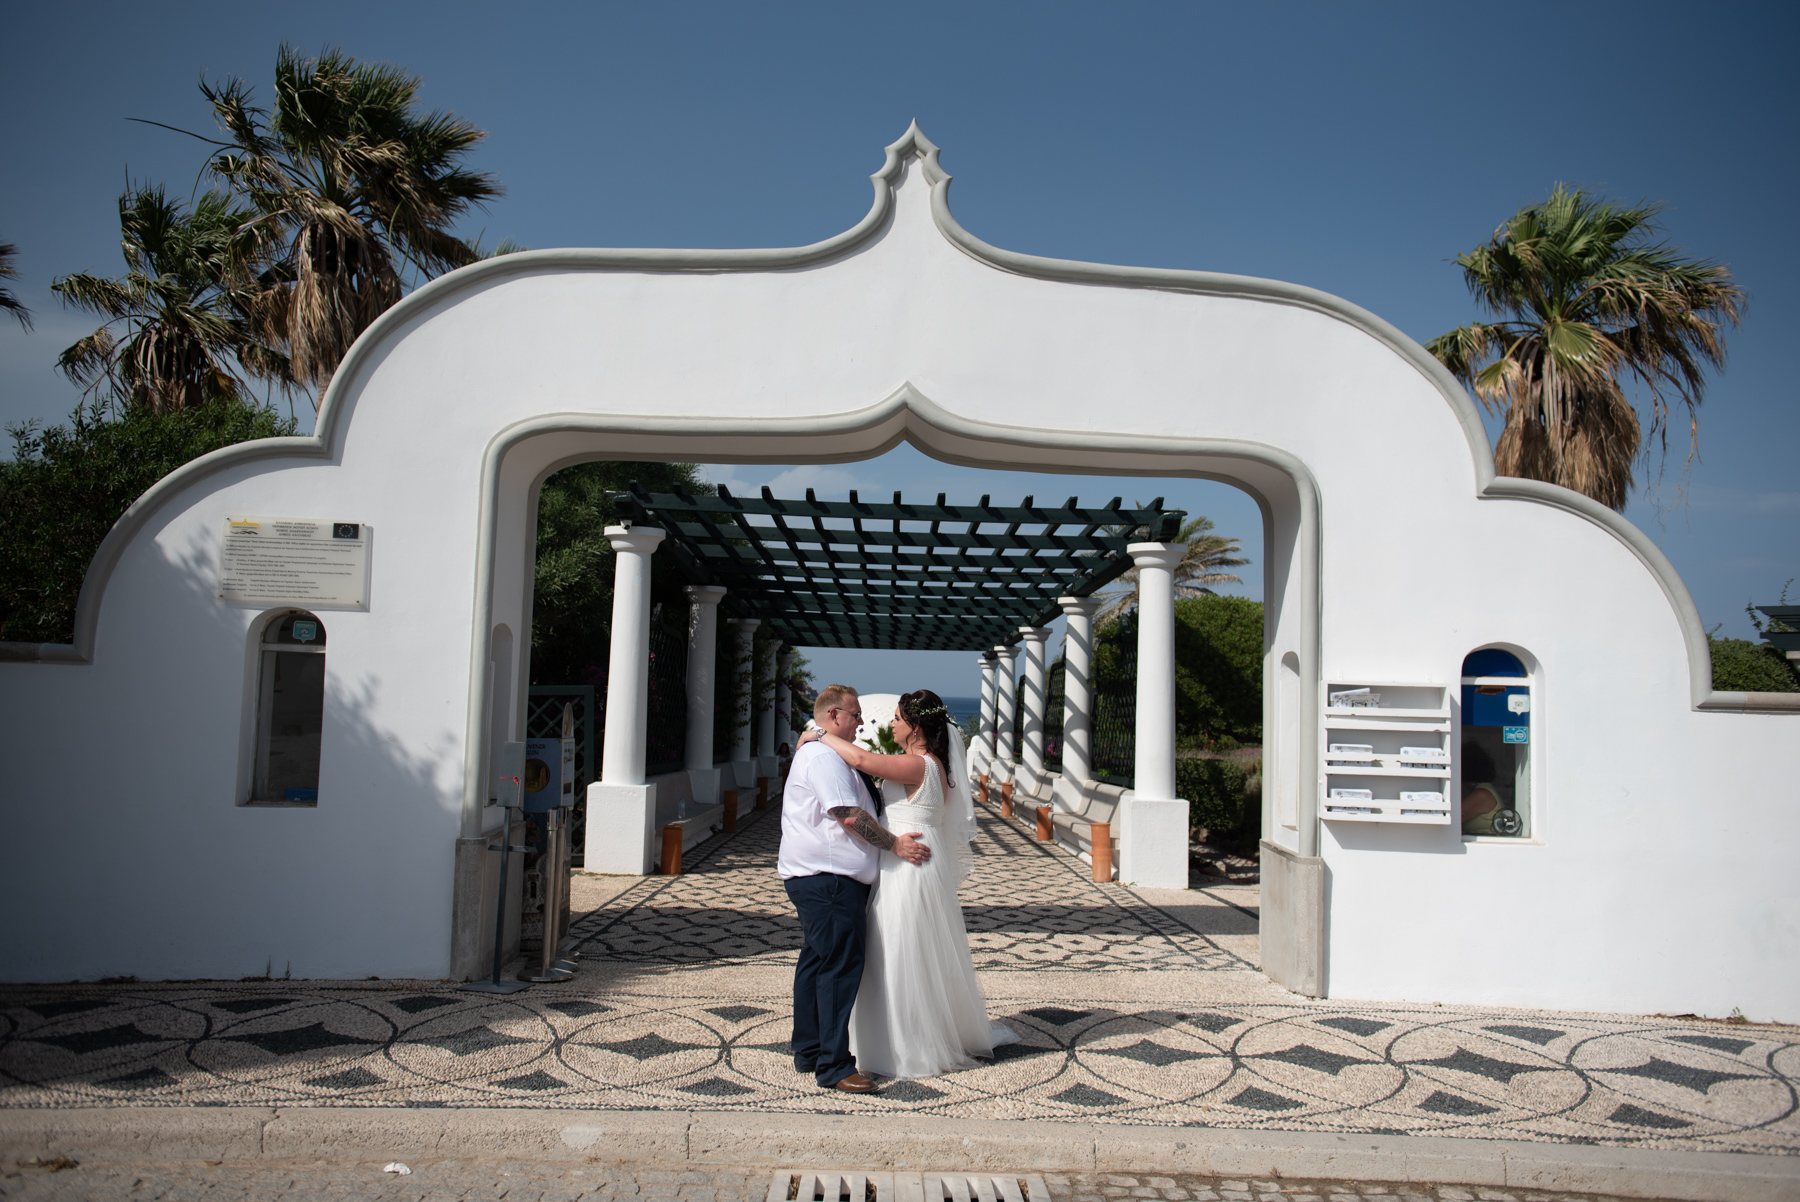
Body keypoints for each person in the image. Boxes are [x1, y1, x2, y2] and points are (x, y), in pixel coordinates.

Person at [798, 688, 1020, 1080]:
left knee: (899, 952)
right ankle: (897, 1037)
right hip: (910, 858)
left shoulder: (919, 764)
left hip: (908, 864)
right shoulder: (930, 763)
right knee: (906, 951)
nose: (891, 723)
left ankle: (906, 1047)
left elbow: (863, 759)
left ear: (915, 727)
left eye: (898, 718)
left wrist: (818, 735)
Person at [777, 684, 931, 1094]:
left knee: (816, 962)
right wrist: (895, 844)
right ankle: (834, 1066)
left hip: (822, 879)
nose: (862, 721)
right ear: (833, 717)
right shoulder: (824, 758)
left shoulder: (827, 754)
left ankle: (809, 1050)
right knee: (839, 969)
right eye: (855, 713)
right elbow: (849, 816)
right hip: (828, 880)